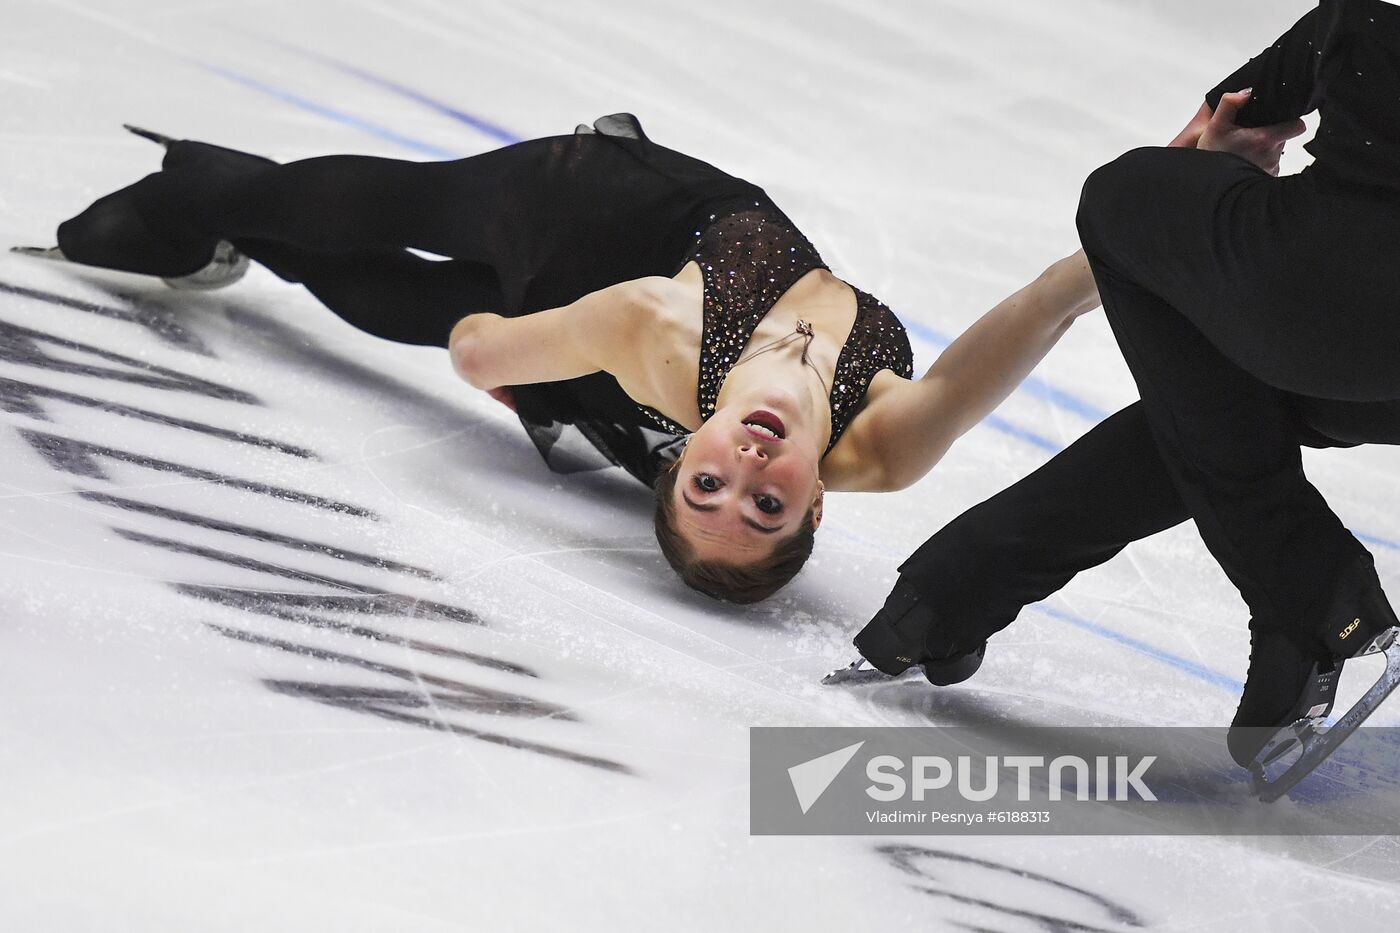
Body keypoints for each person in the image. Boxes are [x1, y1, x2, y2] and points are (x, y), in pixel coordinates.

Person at [25, 114, 1101, 603]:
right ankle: (235, 198)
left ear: (683, 459)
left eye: (708, 487)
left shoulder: (662, 346)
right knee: (369, 203)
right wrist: (1142, 228)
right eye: (764, 507)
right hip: (596, 205)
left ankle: (207, 215)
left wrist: (508, 367)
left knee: (407, 302)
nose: (749, 472)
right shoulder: (884, 446)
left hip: (591, 336)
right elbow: (1038, 309)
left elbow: (473, 352)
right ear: (815, 505)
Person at [844, 0, 1400, 775]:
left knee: (1124, 199)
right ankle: (957, 584)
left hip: (1352, 296)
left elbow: (1360, 27)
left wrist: (1211, 141)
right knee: (1229, 401)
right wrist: (1241, 103)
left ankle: (1309, 588)